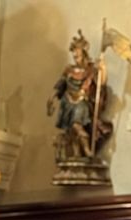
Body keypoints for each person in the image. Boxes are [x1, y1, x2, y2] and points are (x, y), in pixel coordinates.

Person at [46, 30, 110, 161]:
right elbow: (60, 85)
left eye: (77, 52)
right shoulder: (69, 69)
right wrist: (51, 98)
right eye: (74, 52)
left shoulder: (90, 70)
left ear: (84, 52)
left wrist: (103, 68)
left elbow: (101, 83)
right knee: (71, 131)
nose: (75, 55)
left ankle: (87, 150)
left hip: (81, 101)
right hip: (67, 102)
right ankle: (77, 154)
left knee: (77, 125)